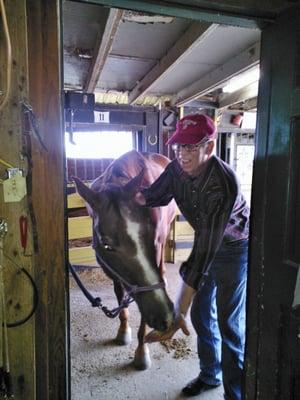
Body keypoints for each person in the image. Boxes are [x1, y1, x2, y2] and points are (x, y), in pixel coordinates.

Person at [135, 113, 249, 400]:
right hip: (208, 243)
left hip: (234, 250)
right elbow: (152, 196)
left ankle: (235, 394)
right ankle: (211, 375)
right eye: (179, 147)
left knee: (229, 325)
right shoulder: (176, 171)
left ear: (209, 147)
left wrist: (176, 313)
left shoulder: (222, 184)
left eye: (190, 147)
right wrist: (123, 195)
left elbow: (201, 257)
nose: (182, 155)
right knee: (200, 316)